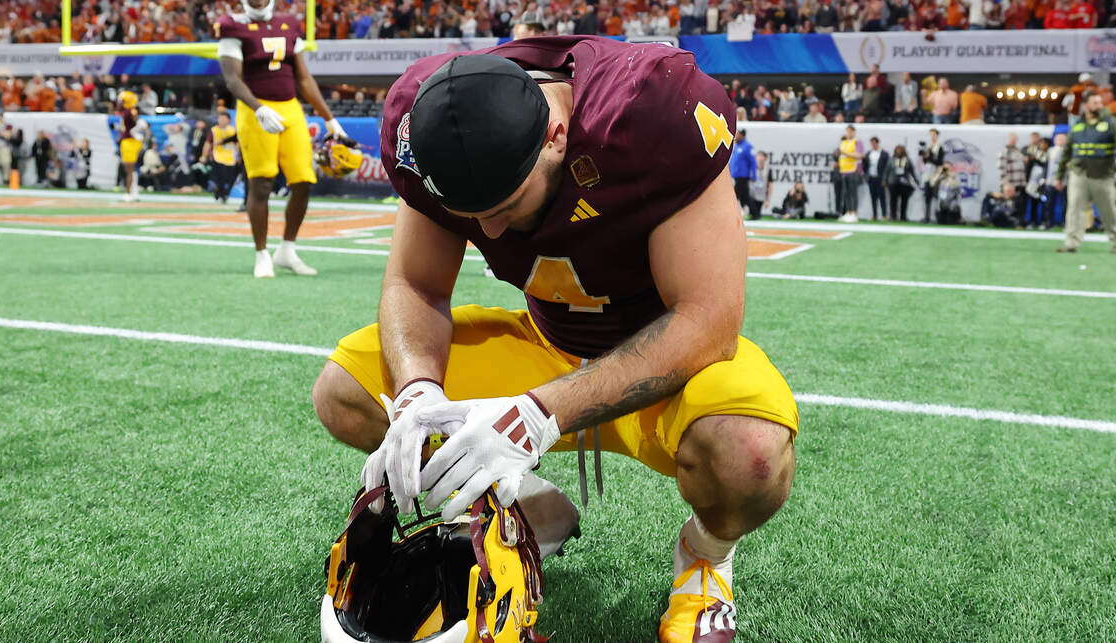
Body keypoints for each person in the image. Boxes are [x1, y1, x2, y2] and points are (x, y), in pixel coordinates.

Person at [311, 39, 798, 643]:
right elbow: (416, 284)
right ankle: (530, 510)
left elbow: (708, 320)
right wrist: (416, 391)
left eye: (506, 204)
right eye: (469, 214)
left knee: (750, 452)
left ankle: (706, 558)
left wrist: (539, 415)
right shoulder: (426, 118)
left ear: (557, 135)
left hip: (668, 361)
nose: (488, 231)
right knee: (346, 392)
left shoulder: (651, 110)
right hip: (546, 342)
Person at [217, 0, 347, 278]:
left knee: (303, 180)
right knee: (261, 182)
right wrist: (258, 108)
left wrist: (329, 117)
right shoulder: (232, 26)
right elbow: (232, 79)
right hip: (255, 109)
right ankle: (261, 254)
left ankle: (287, 249)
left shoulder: (288, 23)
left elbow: (303, 77)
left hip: (290, 108)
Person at [1053, 92, 1116, 253]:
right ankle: (1071, 243)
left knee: (1108, 210)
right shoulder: (1077, 125)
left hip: (1103, 174)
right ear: (1086, 105)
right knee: (1074, 209)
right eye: (1095, 103)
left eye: (1100, 102)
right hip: (1079, 173)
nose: (1099, 106)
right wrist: (1059, 176)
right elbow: (1067, 151)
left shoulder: (1110, 122)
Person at [115, 91, 147, 201]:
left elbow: (141, 123)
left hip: (130, 142)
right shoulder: (126, 112)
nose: (119, 103)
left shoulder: (131, 111)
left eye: (122, 101)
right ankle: (134, 191)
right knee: (130, 169)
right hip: (127, 141)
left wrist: (135, 131)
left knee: (129, 169)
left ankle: (130, 193)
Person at [209, 111, 240, 203]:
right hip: (218, 157)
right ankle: (220, 194)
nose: (221, 120)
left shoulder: (233, 130)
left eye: (224, 118)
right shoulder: (214, 130)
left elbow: (237, 142)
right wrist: (205, 154)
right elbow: (208, 143)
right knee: (219, 178)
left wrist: (238, 155)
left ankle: (224, 194)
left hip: (230, 158)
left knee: (229, 178)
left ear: (229, 120)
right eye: (220, 118)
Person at [997, 133, 1027, 225]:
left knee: (1020, 204)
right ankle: (1006, 221)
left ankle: (1019, 222)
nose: (1014, 141)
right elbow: (1001, 167)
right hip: (1010, 184)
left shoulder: (1018, 151)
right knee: (1009, 204)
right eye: (1012, 139)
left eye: (1015, 139)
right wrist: (1005, 182)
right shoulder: (1004, 151)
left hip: (1020, 183)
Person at [834, 125, 863, 222]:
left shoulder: (857, 142)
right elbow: (841, 156)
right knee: (846, 193)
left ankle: (854, 213)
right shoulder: (843, 142)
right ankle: (848, 212)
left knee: (853, 193)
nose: (848, 133)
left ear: (854, 132)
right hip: (844, 171)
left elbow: (859, 155)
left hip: (853, 170)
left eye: (850, 131)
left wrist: (845, 153)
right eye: (847, 131)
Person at [884, 144, 919, 222]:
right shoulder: (891, 159)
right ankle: (893, 216)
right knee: (893, 200)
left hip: (904, 183)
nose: (899, 151)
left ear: (903, 151)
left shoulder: (907, 160)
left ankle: (903, 216)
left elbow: (912, 171)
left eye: (900, 150)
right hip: (893, 182)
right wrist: (884, 180)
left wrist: (916, 179)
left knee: (904, 201)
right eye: (897, 150)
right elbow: (886, 170)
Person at [1023, 132, 1049, 229]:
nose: (1042, 145)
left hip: (1043, 182)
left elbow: (1045, 164)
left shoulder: (1048, 154)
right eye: (1041, 143)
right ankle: (1032, 221)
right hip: (1033, 181)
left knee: (1044, 202)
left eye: (1044, 143)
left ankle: (1044, 221)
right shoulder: (1033, 151)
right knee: (1033, 202)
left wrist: (1035, 159)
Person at [1042, 132, 1068, 230]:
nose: (1060, 141)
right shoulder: (1050, 151)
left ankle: (1065, 223)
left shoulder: (1068, 151)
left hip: (1064, 182)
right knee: (1049, 203)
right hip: (1050, 181)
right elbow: (1046, 166)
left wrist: (1062, 180)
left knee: (1065, 204)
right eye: (1058, 139)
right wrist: (1044, 178)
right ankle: (1049, 223)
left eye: (1062, 139)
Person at [920, 128, 945, 222]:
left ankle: (938, 217)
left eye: (934, 134)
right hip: (928, 173)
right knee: (927, 196)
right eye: (931, 135)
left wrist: (930, 157)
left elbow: (939, 162)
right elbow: (925, 161)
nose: (932, 136)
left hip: (935, 174)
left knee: (937, 196)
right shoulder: (929, 147)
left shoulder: (939, 147)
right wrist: (926, 157)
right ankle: (927, 216)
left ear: (937, 136)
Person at [729, 128, 756, 216]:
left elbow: (753, 162)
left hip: (743, 176)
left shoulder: (747, 147)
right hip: (736, 175)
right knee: (744, 197)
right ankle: (754, 213)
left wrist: (754, 175)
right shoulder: (736, 146)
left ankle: (730, 213)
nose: (736, 136)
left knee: (734, 195)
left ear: (742, 135)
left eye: (738, 134)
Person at [863, 136, 889, 221]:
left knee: (882, 197)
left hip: (880, 178)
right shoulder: (868, 154)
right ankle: (874, 215)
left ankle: (884, 215)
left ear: (877, 143)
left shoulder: (884, 154)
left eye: (874, 143)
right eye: (871, 143)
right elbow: (865, 165)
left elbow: (887, 168)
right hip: (871, 178)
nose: (873, 145)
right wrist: (866, 176)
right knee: (873, 197)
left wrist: (884, 179)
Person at [748, 151, 774, 220]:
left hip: (761, 196)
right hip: (752, 194)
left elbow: (770, 185)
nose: (759, 157)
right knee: (754, 212)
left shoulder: (768, 170)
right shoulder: (751, 168)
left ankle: (756, 216)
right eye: (758, 156)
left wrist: (767, 200)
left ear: (765, 158)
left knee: (756, 215)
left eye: (761, 156)